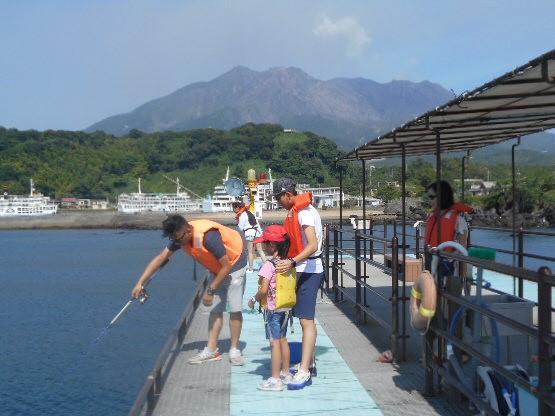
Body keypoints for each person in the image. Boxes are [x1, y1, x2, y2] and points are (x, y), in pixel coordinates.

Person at [131, 215, 247, 366]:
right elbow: (161, 258)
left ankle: (234, 349)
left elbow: (226, 266)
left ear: (187, 231)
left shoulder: (209, 237)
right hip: (216, 268)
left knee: (235, 309)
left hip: (235, 262)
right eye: (174, 239)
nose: (177, 242)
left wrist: (210, 290)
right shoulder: (180, 238)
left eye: (178, 239)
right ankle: (212, 350)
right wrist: (140, 283)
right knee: (215, 310)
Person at [272, 177, 323, 390]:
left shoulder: (303, 213)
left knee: (306, 321)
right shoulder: (299, 210)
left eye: (278, 198)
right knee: (304, 318)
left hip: (309, 270)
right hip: (301, 268)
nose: (277, 202)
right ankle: (308, 361)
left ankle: (304, 371)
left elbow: (312, 245)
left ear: (287, 194)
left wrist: (292, 261)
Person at [247, 224, 293, 391]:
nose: (263, 246)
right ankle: (286, 373)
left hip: (272, 310)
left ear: (272, 245)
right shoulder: (287, 262)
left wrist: (253, 299)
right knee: (283, 340)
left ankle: (275, 379)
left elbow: (264, 290)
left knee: (274, 342)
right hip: (286, 308)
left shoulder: (268, 265)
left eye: (265, 243)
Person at [232, 201, 267, 272]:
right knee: (260, 250)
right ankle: (267, 266)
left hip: (250, 234)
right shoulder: (250, 213)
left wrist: (238, 221)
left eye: (233, 208)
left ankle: (251, 269)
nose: (233, 210)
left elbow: (241, 228)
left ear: (238, 208)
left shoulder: (242, 215)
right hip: (257, 232)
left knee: (250, 252)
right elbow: (257, 224)